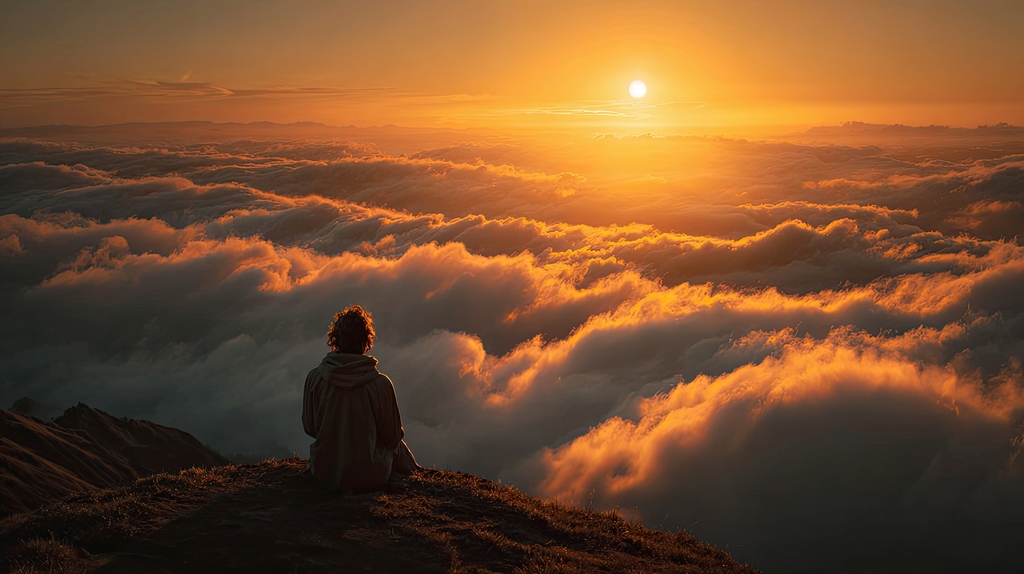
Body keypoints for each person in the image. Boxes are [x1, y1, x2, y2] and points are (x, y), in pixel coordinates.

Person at [302, 305, 420, 492]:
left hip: (325, 471)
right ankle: (418, 476)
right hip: (370, 476)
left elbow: (310, 428)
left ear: (335, 339)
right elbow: (393, 437)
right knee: (399, 447)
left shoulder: (314, 378)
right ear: (366, 340)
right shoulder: (380, 384)